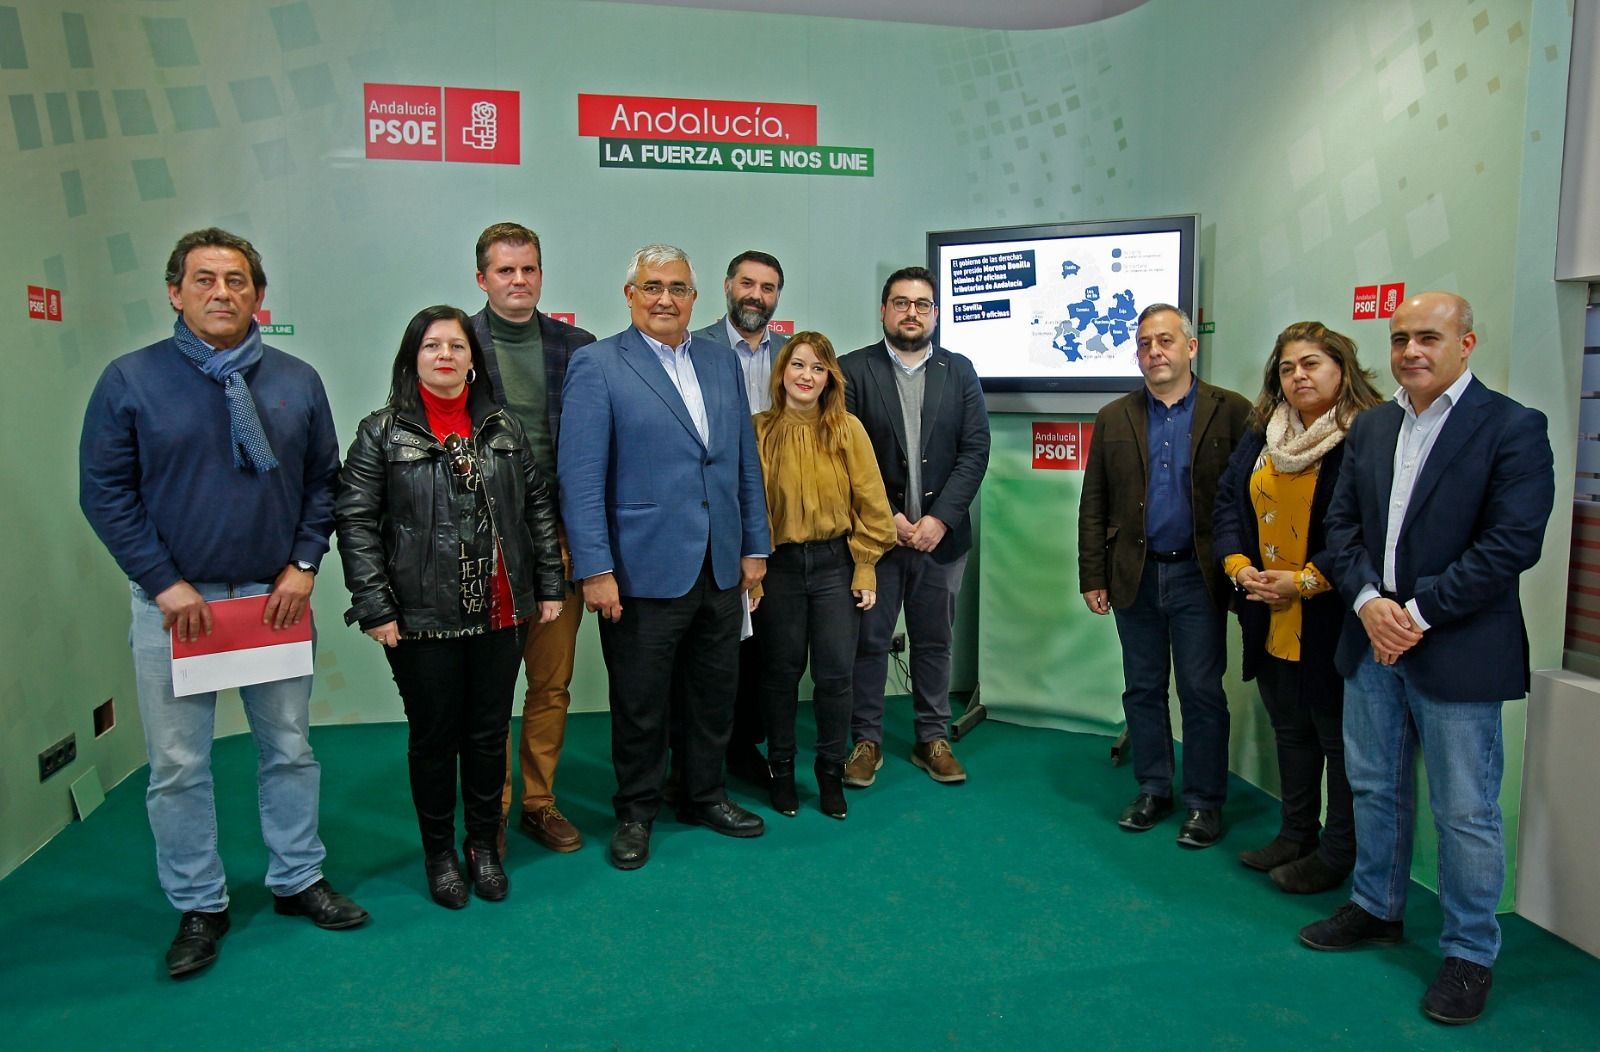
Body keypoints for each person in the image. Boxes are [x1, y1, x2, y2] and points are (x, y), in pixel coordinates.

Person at [79, 227, 367, 979]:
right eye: (203, 280)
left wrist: (305, 565)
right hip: (178, 607)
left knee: (291, 750)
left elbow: (322, 484)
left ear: (258, 297)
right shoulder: (130, 380)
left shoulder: (296, 380)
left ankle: (297, 877)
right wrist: (165, 584)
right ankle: (200, 903)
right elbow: (105, 494)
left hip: (274, 599)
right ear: (175, 293)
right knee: (177, 764)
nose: (221, 293)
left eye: (237, 280)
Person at [1301, 292, 1554, 1026]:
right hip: (1370, 640)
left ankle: (1470, 953)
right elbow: (1339, 528)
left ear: (1466, 344)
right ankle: (1375, 907)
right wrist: (1367, 605)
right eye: (1401, 337)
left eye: (1430, 337)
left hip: (1459, 652)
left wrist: (1410, 615)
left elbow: (1512, 545)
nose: (1412, 350)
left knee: (1466, 812)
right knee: (1374, 786)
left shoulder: (1511, 427)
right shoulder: (1374, 427)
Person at [335, 305, 564, 909]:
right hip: (419, 619)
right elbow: (355, 521)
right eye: (432, 345)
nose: (445, 355)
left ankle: (483, 847)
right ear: (413, 357)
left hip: (499, 613)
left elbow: (537, 507)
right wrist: (374, 605)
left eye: (456, 346)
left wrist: (548, 585)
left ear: (472, 359)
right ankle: (439, 854)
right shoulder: (381, 433)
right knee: (434, 738)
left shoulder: (505, 429)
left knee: (489, 735)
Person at [558, 244, 772, 870]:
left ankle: (704, 795)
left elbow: (742, 464)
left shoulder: (718, 360)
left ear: (694, 298)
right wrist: (594, 568)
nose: (664, 299)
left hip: (719, 565)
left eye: (678, 288)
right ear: (630, 295)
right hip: (640, 567)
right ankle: (636, 812)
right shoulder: (597, 364)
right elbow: (581, 476)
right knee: (641, 702)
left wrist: (754, 546)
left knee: (714, 694)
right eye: (651, 287)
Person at [1214, 322, 1383, 892]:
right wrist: (1239, 568)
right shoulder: (1265, 432)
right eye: (1287, 368)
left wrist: (1305, 581)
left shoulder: (1369, 432)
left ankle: (1337, 855)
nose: (1298, 376)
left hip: (1332, 615)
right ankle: (1295, 835)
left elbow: (1367, 528)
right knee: (1290, 729)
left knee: (1338, 742)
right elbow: (1228, 503)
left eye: (1311, 364)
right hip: (1268, 608)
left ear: (1342, 368)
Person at [1078, 303, 1251, 848]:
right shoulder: (1115, 416)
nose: (1155, 351)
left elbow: (1245, 501)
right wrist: (1092, 575)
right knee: (1143, 689)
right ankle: (1154, 787)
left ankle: (1204, 802)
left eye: (1166, 341)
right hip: (1135, 576)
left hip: (1200, 578)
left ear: (1190, 348)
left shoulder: (1232, 412)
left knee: (1201, 691)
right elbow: (1095, 502)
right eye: (1145, 343)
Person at [468, 222, 597, 856]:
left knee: (551, 683)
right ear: (483, 278)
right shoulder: (452, 342)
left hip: (560, 546)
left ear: (541, 274)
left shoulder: (579, 348)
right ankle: (487, 811)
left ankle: (539, 804)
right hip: (480, 547)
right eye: (505, 271)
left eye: (529, 270)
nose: (519, 281)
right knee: (488, 691)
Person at [840, 266, 990, 788]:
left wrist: (940, 520)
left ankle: (932, 737)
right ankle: (866, 740)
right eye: (900, 302)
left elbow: (975, 452)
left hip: (941, 542)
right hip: (875, 541)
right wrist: (893, 521)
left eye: (922, 304)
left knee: (934, 641)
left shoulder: (961, 370)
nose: (911, 312)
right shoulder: (852, 371)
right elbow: (847, 458)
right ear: (883, 311)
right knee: (869, 642)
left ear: (935, 313)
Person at [750, 331, 896, 818]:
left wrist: (866, 567)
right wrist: (752, 574)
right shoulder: (759, 430)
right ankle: (783, 771)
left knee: (835, 676)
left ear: (830, 377)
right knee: (780, 676)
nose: (806, 376)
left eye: (817, 367)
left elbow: (873, 505)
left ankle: (830, 774)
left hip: (837, 566)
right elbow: (746, 508)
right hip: (779, 571)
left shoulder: (847, 429)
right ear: (782, 373)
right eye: (798, 365)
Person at [688, 250, 790, 787]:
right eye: (747, 283)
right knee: (712, 650)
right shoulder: (692, 347)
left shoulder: (795, 356)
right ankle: (694, 757)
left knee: (761, 652)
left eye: (768, 287)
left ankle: (745, 748)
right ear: (727, 286)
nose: (756, 295)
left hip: (780, 528)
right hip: (712, 524)